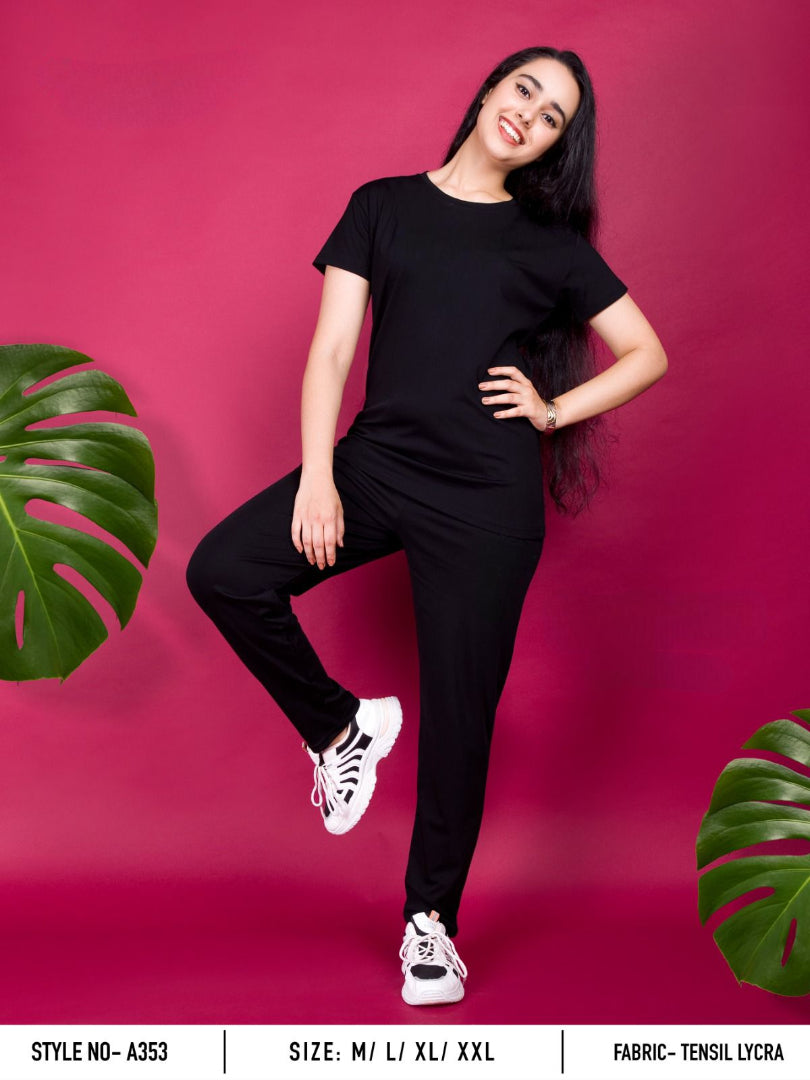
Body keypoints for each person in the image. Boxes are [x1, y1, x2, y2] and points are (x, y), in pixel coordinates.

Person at [186, 45, 667, 1006]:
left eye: (553, 117)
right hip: (376, 467)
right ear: (490, 90)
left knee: (458, 715)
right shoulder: (383, 206)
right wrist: (318, 479)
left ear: (553, 147)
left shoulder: (548, 245)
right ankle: (341, 728)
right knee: (225, 571)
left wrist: (553, 412)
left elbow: (646, 353)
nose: (530, 114)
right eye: (524, 90)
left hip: (487, 498)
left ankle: (429, 925)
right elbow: (332, 352)